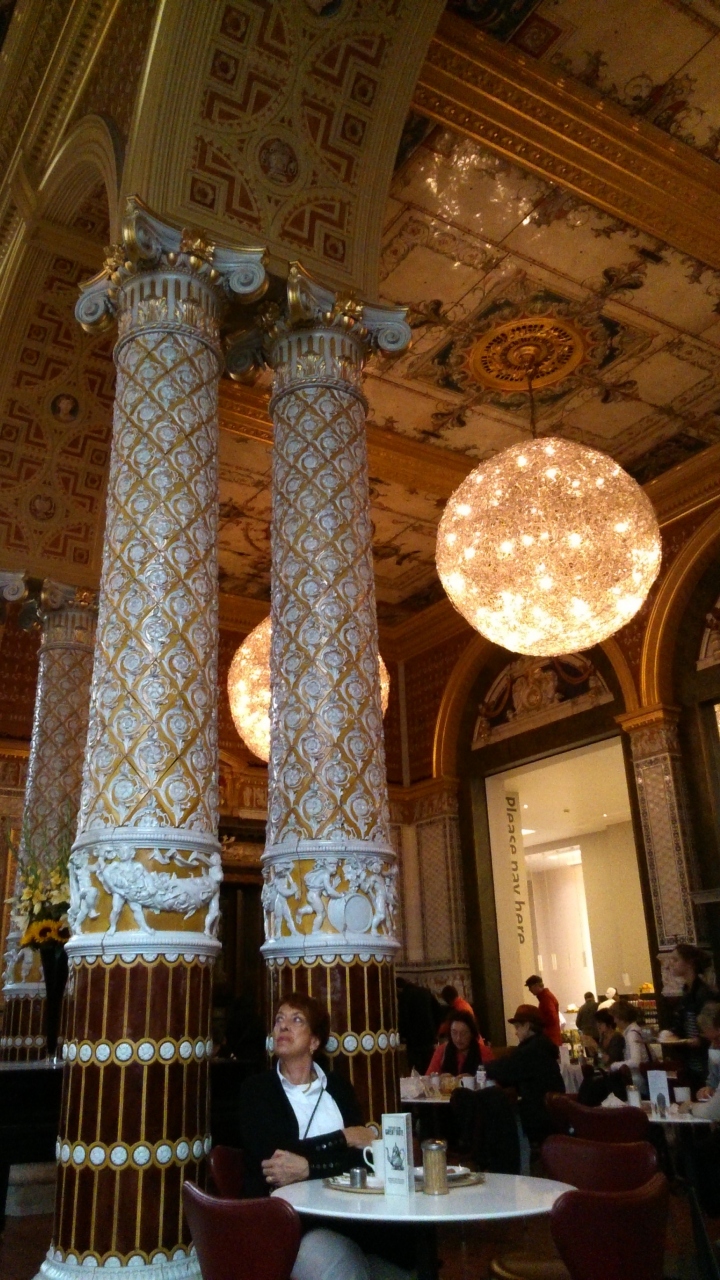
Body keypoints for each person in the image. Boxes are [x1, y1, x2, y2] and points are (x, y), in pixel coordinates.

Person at [238, 992, 409, 1280]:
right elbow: (275, 1160)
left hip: (353, 1217)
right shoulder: (256, 1090)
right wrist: (342, 1139)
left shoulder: (338, 1088)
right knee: (343, 1269)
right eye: (279, 1019)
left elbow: (362, 1162)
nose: (283, 1026)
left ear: (315, 1041)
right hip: (290, 1225)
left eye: (296, 1020)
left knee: (405, 1265)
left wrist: (308, 1167)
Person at [667, 944, 718, 1089]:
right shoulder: (687, 991)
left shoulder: (704, 993)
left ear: (689, 963)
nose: (671, 964)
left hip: (706, 1059)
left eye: (675, 960)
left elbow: (712, 1024)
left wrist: (700, 1039)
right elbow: (682, 1023)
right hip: (692, 1060)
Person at [425, 1009, 492, 1075]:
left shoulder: (483, 1052)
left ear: (472, 1034)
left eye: (464, 1033)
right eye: (454, 1033)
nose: (458, 1038)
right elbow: (429, 1077)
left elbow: (493, 1078)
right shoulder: (442, 1051)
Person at [396, 977, 439, 1073]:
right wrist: (435, 1029)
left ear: (398, 989)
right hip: (429, 1037)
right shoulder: (425, 991)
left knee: (416, 1070)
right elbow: (438, 1010)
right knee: (429, 1067)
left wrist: (402, 1036)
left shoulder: (405, 996)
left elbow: (404, 1018)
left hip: (414, 1041)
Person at [609, 1000, 649, 1094]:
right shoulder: (635, 1030)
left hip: (638, 1080)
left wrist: (614, 1065)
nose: (614, 1021)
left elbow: (636, 1061)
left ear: (621, 1017)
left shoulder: (631, 1034)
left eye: (615, 1017)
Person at [524, 974, 563, 1047]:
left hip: (550, 1038)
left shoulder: (546, 998)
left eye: (530, 987)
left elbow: (551, 1017)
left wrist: (538, 1023)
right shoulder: (546, 996)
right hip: (553, 1037)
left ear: (536, 985)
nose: (529, 990)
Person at [696, 1001, 720, 1101]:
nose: (714, 1045)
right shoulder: (713, 1049)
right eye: (710, 1040)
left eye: (717, 1038)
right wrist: (707, 1090)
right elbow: (713, 1081)